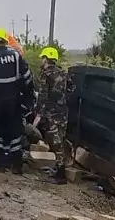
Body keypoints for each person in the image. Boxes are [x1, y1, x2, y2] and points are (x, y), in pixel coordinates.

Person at [0, 28, 34, 174]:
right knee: (15, 132)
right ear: (5, 40)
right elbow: (28, 77)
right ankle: (16, 165)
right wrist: (28, 99)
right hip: (14, 100)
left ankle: (0, 163)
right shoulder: (16, 56)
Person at [37, 46, 74, 184]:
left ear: (47, 59)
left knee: (56, 142)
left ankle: (60, 174)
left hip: (51, 112)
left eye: (43, 58)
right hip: (63, 112)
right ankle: (59, 168)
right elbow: (71, 89)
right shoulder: (63, 73)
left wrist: (39, 113)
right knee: (61, 139)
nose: (42, 61)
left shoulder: (45, 74)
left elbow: (42, 95)